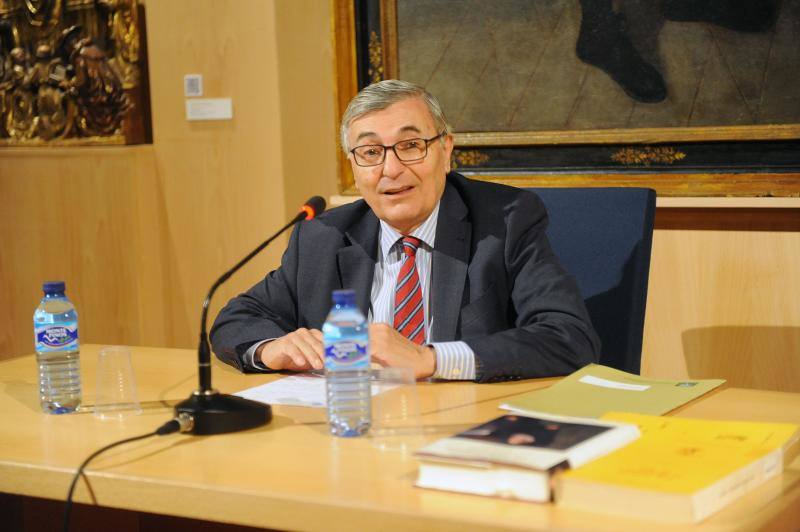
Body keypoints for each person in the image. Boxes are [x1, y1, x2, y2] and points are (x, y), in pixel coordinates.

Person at [210, 79, 600, 383]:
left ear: (446, 151)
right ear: (353, 166)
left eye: (411, 145)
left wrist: (429, 359)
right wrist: (270, 349)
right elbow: (236, 317)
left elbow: (569, 337)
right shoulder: (322, 236)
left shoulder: (506, 222)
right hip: (351, 433)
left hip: (464, 430)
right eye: (371, 152)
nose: (391, 169)